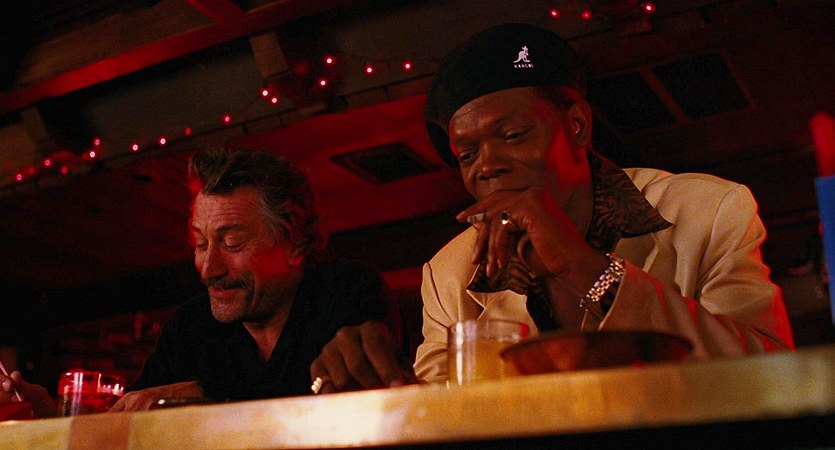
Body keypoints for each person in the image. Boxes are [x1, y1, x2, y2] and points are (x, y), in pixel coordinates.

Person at [413, 22, 796, 382]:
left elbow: (769, 375)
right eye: (467, 155)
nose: (486, 166)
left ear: (577, 125)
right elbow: (436, 409)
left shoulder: (708, 210)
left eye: (513, 135)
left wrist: (586, 269)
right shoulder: (450, 273)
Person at [1, 147, 415, 415]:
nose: (209, 267)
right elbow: (128, 419)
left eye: (232, 242)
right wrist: (48, 413)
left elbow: (339, 412)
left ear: (294, 243)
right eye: (201, 243)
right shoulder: (190, 326)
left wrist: (202, 396)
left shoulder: (347, 292)